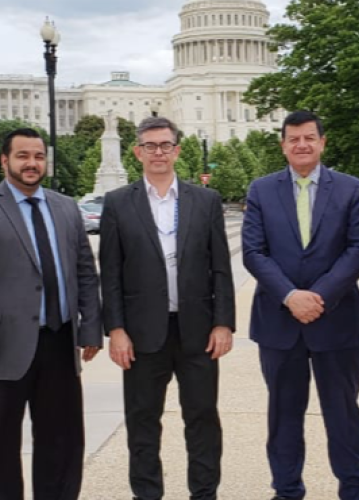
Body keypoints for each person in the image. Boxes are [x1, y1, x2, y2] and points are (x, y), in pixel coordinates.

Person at [0, 128, 103, 500]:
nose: (32, 163)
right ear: (4, 161)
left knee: (62, 444)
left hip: (59, 343)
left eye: (38, 156)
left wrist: (91, 327)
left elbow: (84, 270)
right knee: (0, 447)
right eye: (23, 156)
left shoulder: (65, 207)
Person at [100, 117, 235, 500]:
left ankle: (204, 493)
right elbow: (109, 273)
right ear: (137, 151)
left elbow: (220, 266)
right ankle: (146, 494)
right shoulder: (117, 203)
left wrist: (223, 322)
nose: (158, 152)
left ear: (177, 150)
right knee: (142, 423)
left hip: (198, 331)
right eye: (150, 145)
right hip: (142, 336)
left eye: (165, 145)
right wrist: (116, 330)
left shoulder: (205, 200)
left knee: (203, 420)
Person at [242, 110, 359, 500]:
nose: (302, 144)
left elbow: (358, 249)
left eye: (309, 138)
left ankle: (353, 488)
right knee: (283, 415)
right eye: (293, 138)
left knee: (343, 413)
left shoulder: (350, 189)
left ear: (322, 142)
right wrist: (290, 296)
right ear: (283, 145)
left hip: (337, 320)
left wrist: (318, 297)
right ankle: (286, 490)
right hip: (278, 323)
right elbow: (253, 251)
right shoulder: (261, 190)